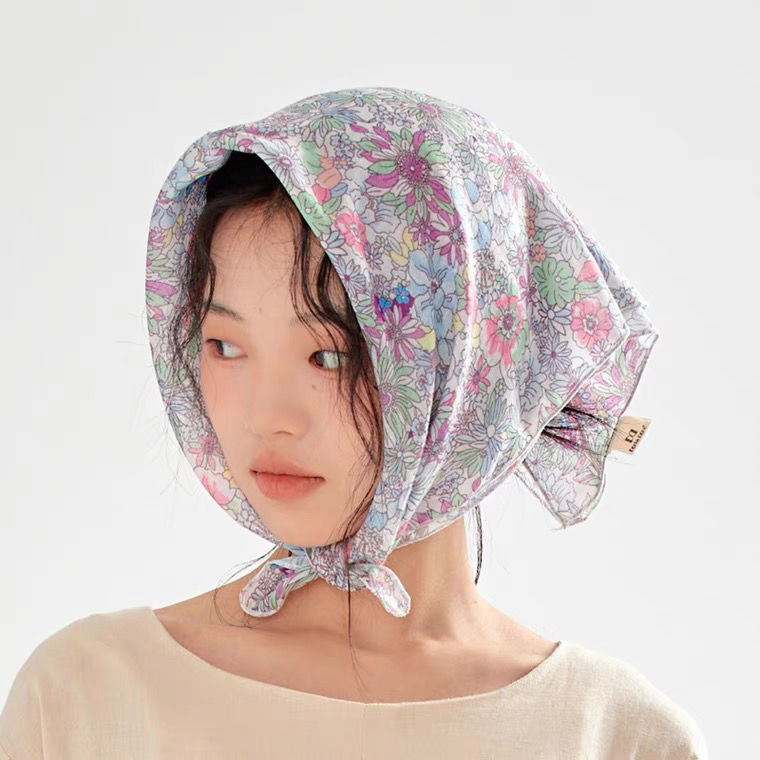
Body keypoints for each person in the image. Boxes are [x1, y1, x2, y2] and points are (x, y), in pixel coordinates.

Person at [0, 86, 708, 758]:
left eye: (329, 356)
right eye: (226, 346)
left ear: (469, 371)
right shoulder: (86, 698)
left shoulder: (616, 738)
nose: (267, 419)